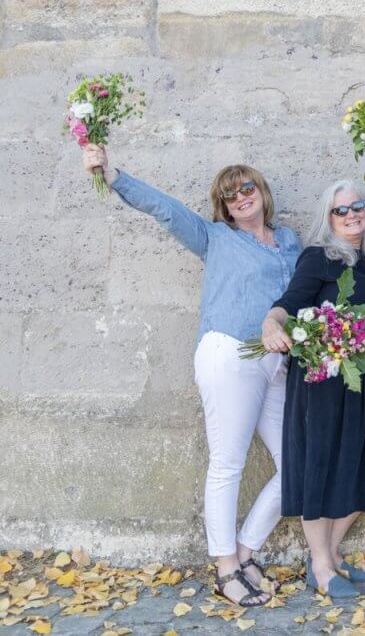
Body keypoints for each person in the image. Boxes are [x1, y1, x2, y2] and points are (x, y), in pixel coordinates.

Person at [81, 144, 301, 607]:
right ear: (222, 208)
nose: (240, 198)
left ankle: (243, 552)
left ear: (260, 191)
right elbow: (164, 208)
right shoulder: (213, 237)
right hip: (228, 353)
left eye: (246, 188)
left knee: (296, 462)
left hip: (274, 361)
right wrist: (112, 171)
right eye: (229, 196)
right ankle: (225, 569)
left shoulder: (290, 241)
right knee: (228, 463)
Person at [261, 181, 365, 598]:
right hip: (322, 382)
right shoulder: (317, 258)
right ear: (329, 217)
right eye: (341, 210)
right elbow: (290, 301)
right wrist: (271, 322)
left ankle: (330, 555)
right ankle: (321, 566)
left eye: (357, 206)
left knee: (361, 466)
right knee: (318, 468)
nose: (352, 214)